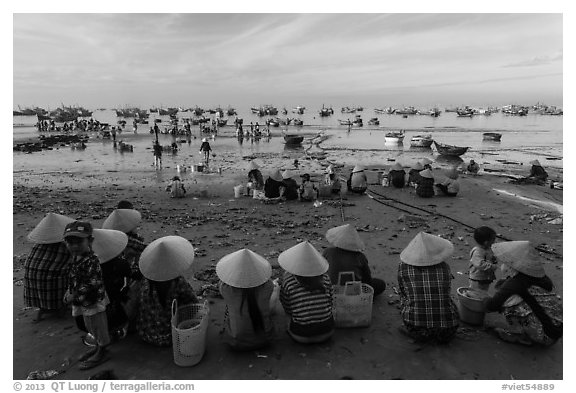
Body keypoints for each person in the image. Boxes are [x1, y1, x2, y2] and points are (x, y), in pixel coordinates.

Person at [483, 241, 562, 346]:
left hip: (546, 335)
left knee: (507, 304)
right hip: (557, 328)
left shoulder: (517, 282)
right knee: (505, 289)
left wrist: (483, 299)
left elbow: (492, 305)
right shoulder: (540, 278)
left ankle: (524, 335)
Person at [62, 221, 111, 370]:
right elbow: (74, 278)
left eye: (79, 242)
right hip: (81, 300)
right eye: (70, 242)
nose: (74, 246)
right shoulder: (76, 257)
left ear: (90, 241)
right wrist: (68, 291)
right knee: (89, 325)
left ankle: (103, 350)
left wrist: (73, 296)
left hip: (92, 300)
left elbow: (92, 283)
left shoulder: (92, 260)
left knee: (98, 326)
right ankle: (97, 346)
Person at [397, 232, 459, 344]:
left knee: (406, 298)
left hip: (415, 326)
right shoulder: (444, 268)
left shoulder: (403, 268)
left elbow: (403, 293)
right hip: (448, 329)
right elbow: (446, 291)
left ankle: (420, 334)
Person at [137, 236, 198, 347]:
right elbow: (193, 301)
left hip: (146, 333)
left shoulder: (146, 280)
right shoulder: (177, 282)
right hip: (171, 336)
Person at [216, 249, 274, 351]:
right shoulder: (268, 286)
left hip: (237, 343)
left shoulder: (226, 289)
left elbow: (224, 281)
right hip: (266, 339)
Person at [279, 241, 334, 344]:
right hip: (328, 332)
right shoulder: (325, 278)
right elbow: (331, 301)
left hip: (300, 336)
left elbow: (287, 307)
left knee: (288, 315)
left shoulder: (288, 281)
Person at [24, 213, 75, 322]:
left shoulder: (39, 244)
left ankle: (44, 305)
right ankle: (61, 304)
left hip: (32, 281)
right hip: (51, 283)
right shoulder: (65, 246)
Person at [84, 229, 131, 341]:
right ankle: (115, 330)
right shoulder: (120, 263)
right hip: (112, 304)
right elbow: (129, 278)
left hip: (88, 308)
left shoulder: (84, 265)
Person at [322, 224, 386, 296]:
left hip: (332, 290)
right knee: (380, 284)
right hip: (354, 292)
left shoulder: (328, 252)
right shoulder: (360, 257)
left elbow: (321, 271)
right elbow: (367, 279)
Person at [469, 226, 498, 291]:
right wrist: (492, 266)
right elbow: (479, 264)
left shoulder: (488, 249)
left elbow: (491, 258)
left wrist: (494, 259)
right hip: (477, 278)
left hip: (485, 277)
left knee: (483, 292)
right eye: (493, 240)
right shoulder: (477, 252)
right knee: (476, 293)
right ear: (486, 242)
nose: (494, 242)